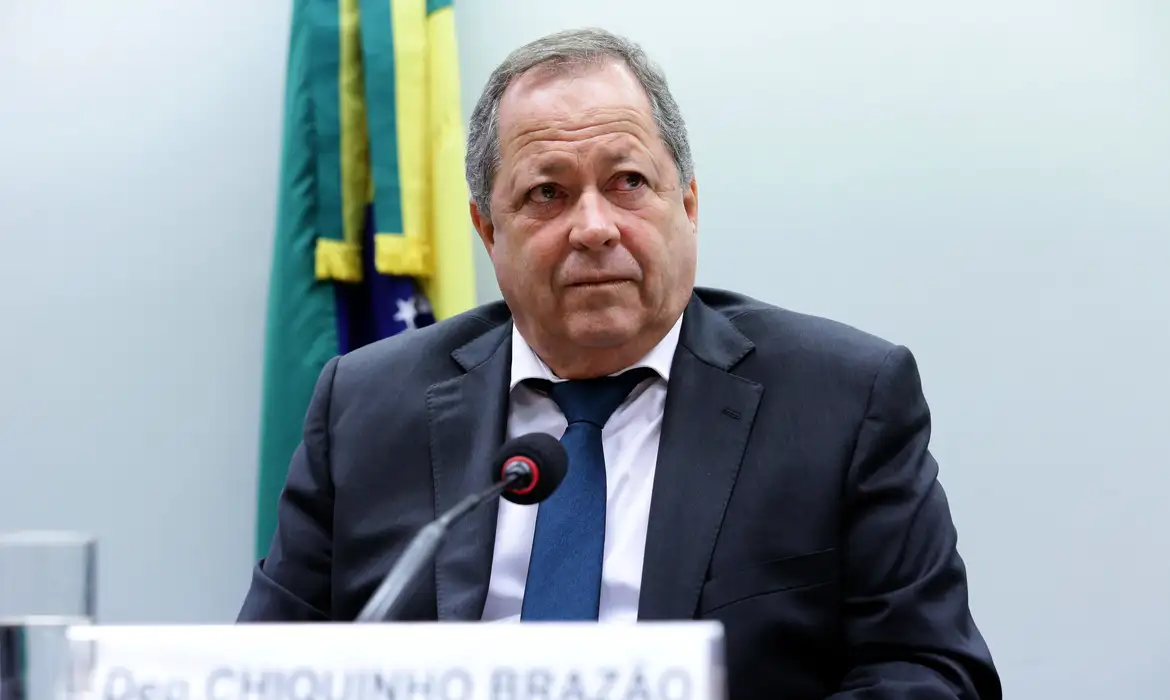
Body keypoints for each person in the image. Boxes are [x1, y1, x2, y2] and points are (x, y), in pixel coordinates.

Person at [238, 27, 1001, 699]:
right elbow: (262, 671)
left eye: (628, 183)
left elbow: (932, 671)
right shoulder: (366, 408)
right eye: (547, 193)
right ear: (487, 230)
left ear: (688, 204)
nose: (593, 227)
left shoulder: (841, 400)